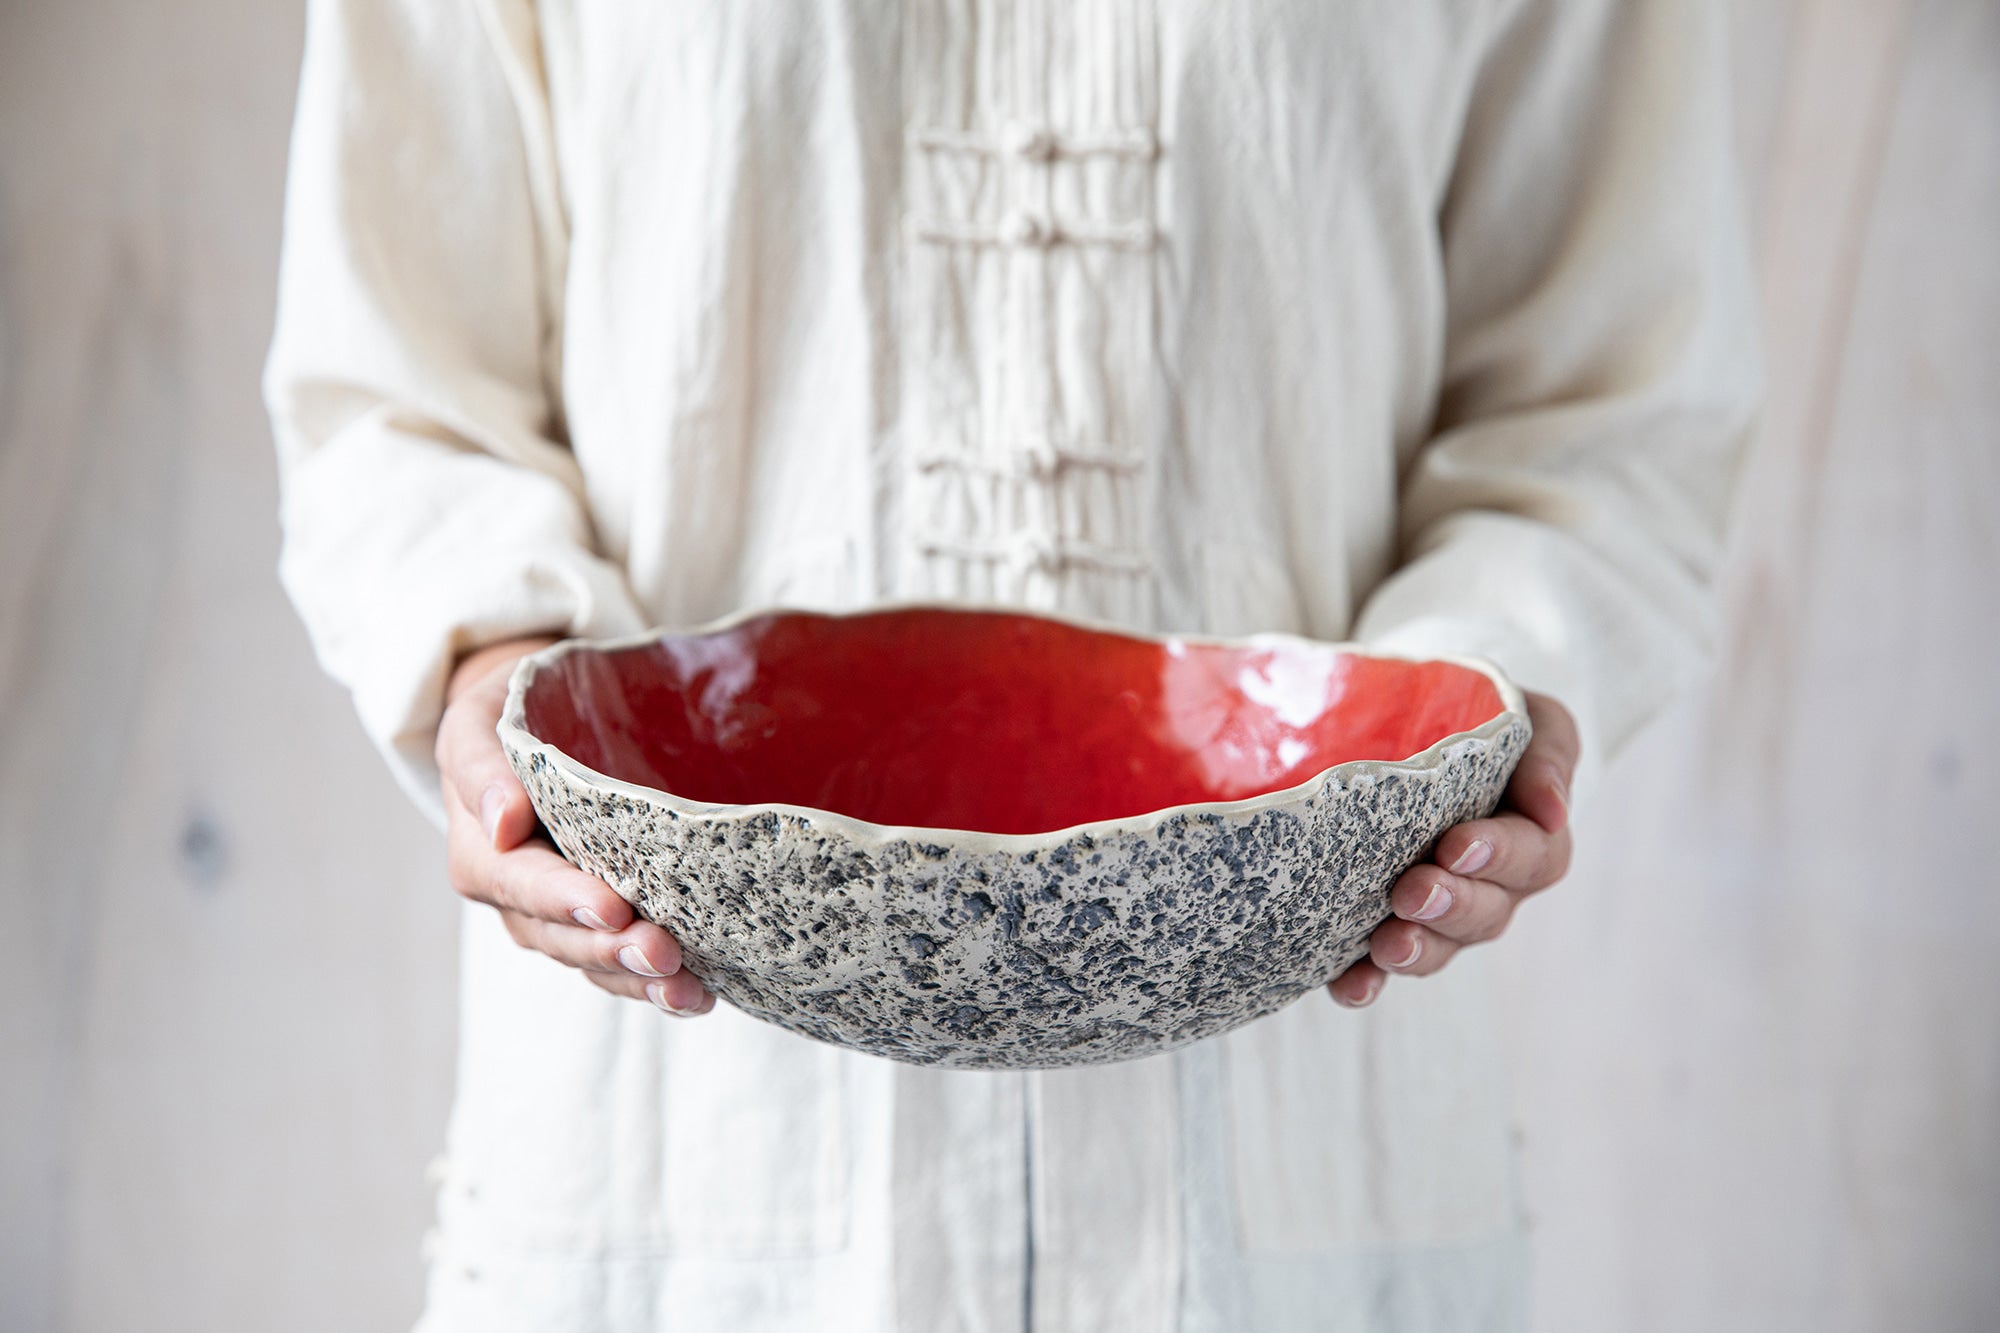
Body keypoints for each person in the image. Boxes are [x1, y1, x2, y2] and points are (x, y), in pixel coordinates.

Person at [265, 1, 1758, 1329]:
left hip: (1302, 1149)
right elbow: (400, 389)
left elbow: (1608, 411)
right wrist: (496, 658)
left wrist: (1451, 731)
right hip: (683, 1151)